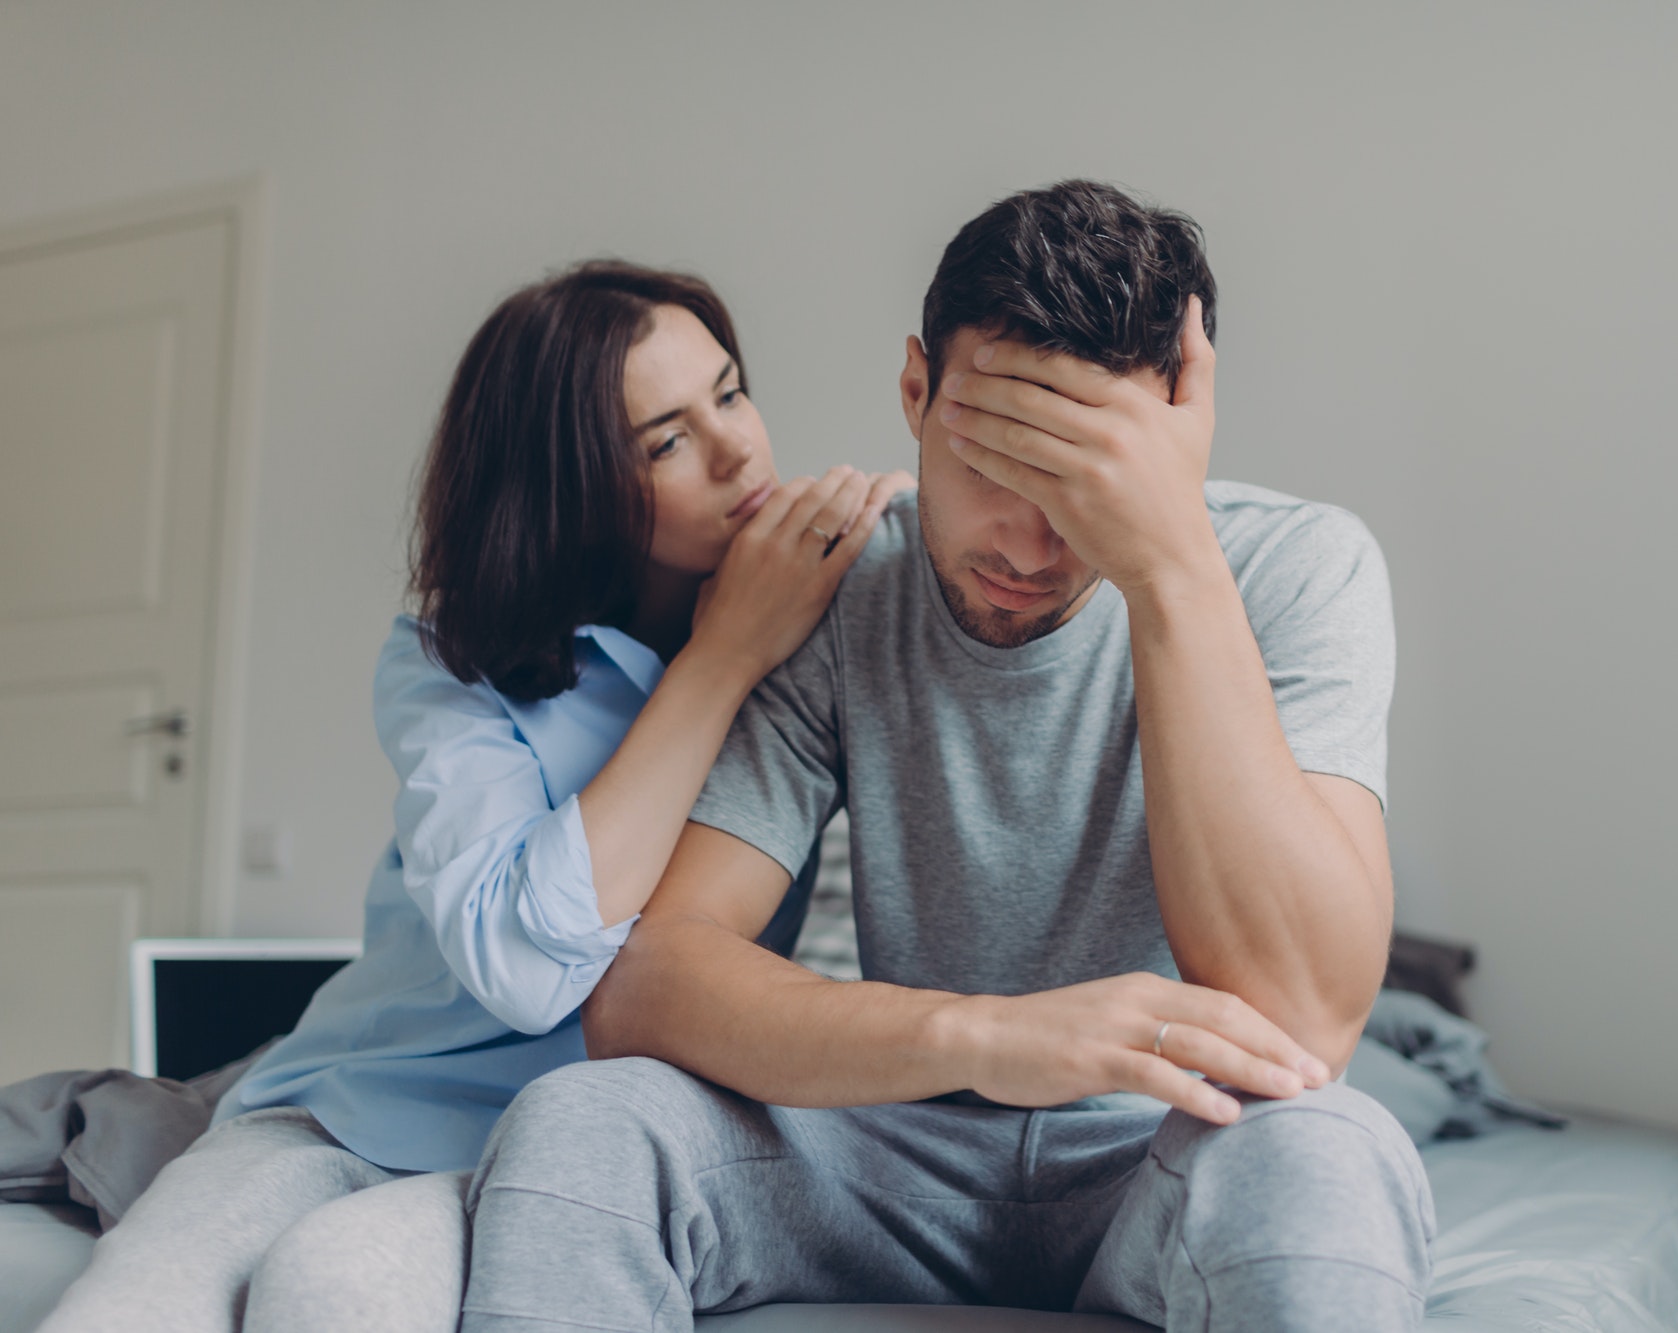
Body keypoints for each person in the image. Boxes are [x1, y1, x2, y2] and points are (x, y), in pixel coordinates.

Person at [457, 182, 1436, 1333]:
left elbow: (1304, 1018)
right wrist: (988, 1036)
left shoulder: (1295, 568)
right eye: (991, 470)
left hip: (1163, 1151)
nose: (1027, 544)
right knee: (581, 1119)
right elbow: (648, 984)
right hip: (891, 1140)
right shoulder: (841, 583)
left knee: (1330, 1148)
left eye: (1078, 485)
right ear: (916, 390)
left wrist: (1167, 565)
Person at [38, 261, 908, 1333]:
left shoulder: (826, 627)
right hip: (347, 1107)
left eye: (730, 392)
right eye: (668, 439)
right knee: (126, 1314)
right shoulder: (453, 660)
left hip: (579, 1141)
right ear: (573, 484)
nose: (739, 448)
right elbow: (526, 967)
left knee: (335, 1289)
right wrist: (721, 658)